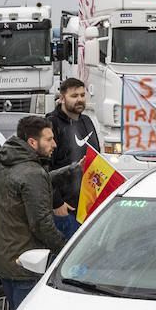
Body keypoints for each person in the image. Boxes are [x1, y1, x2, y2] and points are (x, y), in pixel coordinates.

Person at [0, 116, 78, 310]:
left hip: (7, 260)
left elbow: (37, 182)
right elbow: (42, 225)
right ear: (32, 142)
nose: (54, 144)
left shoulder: (12, 161)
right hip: (28, 264)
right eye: (49, 139)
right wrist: (67, 251)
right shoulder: (32, 173)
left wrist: (73, 170)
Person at [45, 77, 99, 238]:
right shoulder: (51, 124)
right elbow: (43, 169)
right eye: (74, 96)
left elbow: (96, 158)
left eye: (82, 95)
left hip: (88, 206)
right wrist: (56, 202)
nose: (80, 99)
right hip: (65, 209)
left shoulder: (87, 121)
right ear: (62, 98)